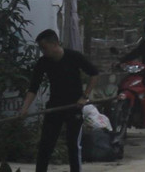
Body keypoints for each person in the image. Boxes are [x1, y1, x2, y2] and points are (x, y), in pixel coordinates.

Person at [19, 29, 99, 172]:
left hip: (74, 106)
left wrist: (84, 97)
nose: (43, 51)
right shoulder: (43, 62)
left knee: (73, 146)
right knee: (45, 145)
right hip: (54, 107)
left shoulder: (74, 57)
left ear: (54, 44)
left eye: (44, 48)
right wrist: (24, 109)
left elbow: (94, 74)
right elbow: (33, 88)